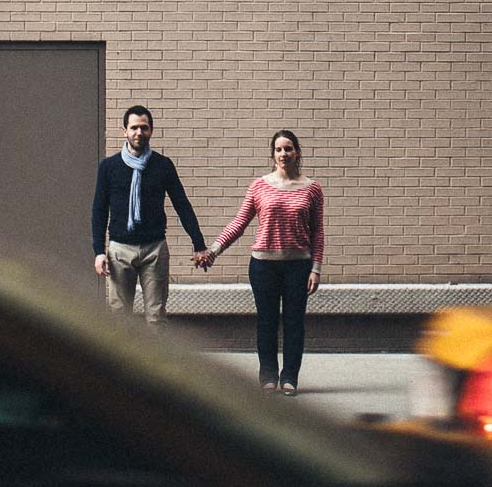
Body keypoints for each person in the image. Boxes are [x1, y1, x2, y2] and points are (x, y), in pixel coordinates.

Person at [199, 129, 323, 394]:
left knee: (294, 324)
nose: (283, 154)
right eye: (278, 149)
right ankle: (268, 377)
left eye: (288, 148)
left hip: (298, 266)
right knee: (266, 322)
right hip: (264, 266)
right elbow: (239, 223)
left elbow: (317, 232)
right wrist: (214, 250)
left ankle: (290, 378)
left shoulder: (312, 188)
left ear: (297, 152)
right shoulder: (259, 186)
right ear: (273, 154)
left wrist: (316, 268)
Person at [91, 105, 210, 325]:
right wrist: (99, 251)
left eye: (144, 128)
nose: (139, 132)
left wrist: (199, 243)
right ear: (124, 131)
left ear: (151, 131)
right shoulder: (109, 167)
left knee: (156, 317)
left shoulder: (162, 165)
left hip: (154, 249)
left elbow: (182, 205)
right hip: (120, 250)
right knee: (119, 317)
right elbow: (99, 209)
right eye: (134, 127)